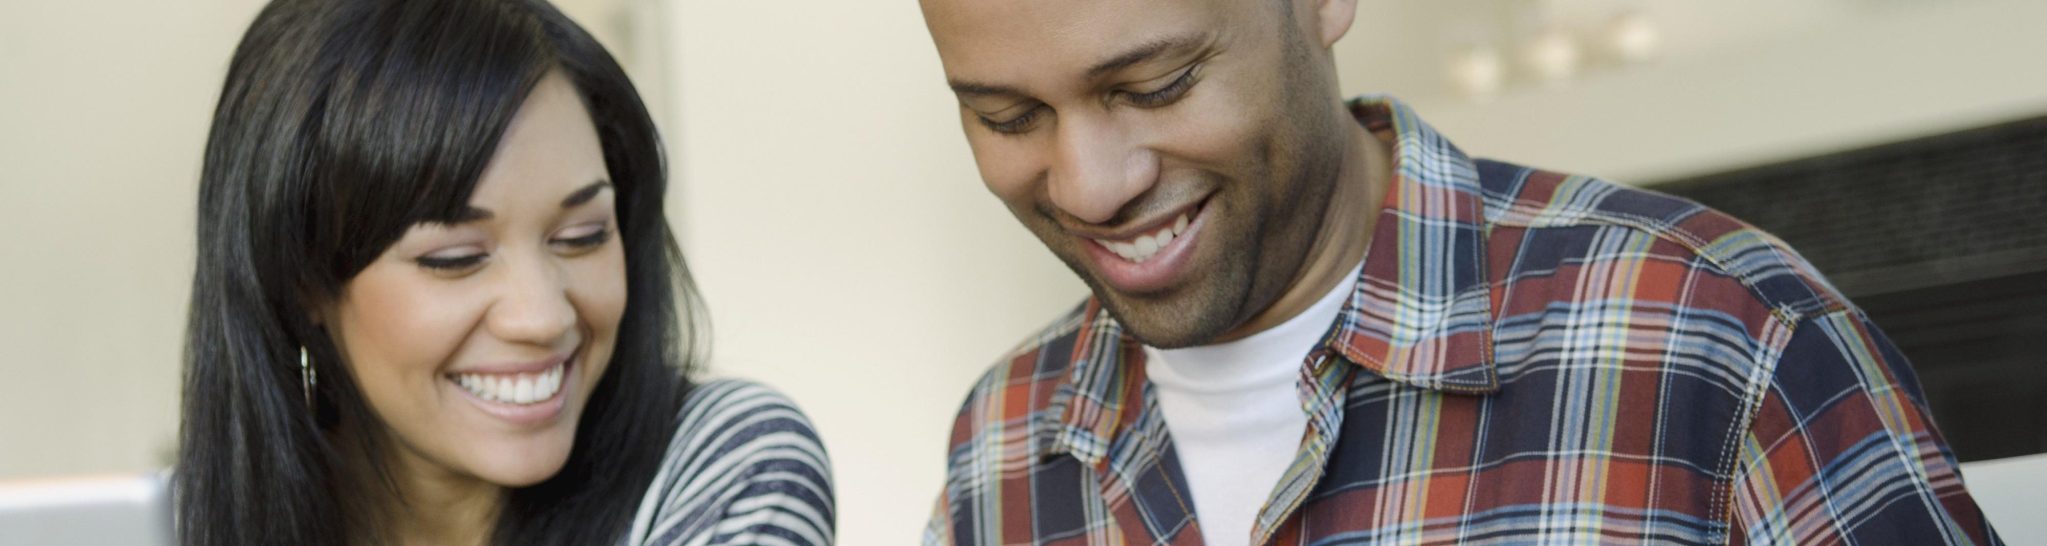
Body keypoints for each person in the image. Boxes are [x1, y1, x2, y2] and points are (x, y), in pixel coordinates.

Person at [916, 0, 2000, 544]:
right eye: (1005, 116)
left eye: (1154, 85)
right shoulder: (1005, 439)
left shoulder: (1719, 335)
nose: (1091, 185)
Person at [174, 1, 833, 544]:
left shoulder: (725, 465)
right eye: (455, 258)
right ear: (302, 278)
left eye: (582, 237)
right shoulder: (187, 519)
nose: (543, 315)